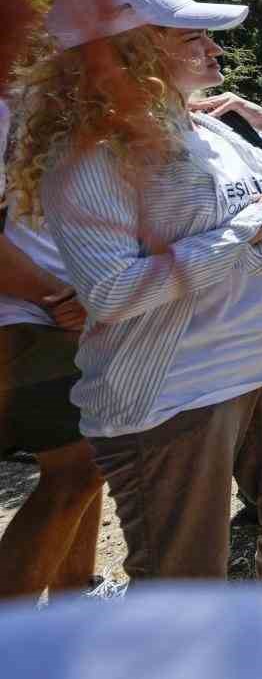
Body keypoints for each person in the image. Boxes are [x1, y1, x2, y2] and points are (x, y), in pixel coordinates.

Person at [11, 0, 262, 585]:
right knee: (184, 574)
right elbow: (111, 293)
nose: (215, 49)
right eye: (193, 37)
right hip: (175, 389)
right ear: (130, 48)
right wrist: (249, 228)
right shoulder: (90, 153)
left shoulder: (216, 128)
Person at [0, 99, 111, 602]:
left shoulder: (40, 97)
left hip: (66, 315)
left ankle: (77, 596)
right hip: (30, 317)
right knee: (77, 469)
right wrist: (57, 296)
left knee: (89, 461)